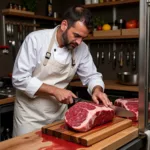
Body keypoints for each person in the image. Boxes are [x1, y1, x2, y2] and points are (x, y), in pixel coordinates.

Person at [12, 5, 112, 137]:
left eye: (83, 38)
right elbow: (19, 79)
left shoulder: (81, 48)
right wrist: (54, 90)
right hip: (29, 117)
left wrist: (97, 90)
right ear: (64, 25)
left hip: (59, 117)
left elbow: (92, 76)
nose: (79, 42)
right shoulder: (36, 40)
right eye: (76, 35)